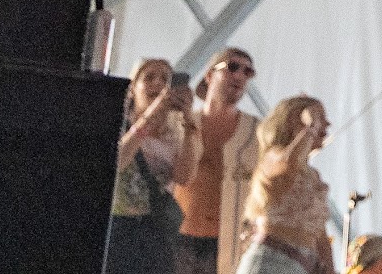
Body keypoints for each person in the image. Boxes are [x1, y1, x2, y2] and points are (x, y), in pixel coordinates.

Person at [107, 57, 198, 274]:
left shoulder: (175, 133)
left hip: (154, 229)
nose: (158, 84)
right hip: (116, 225)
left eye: (165, 80)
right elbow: (117, 162)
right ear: (133, 88)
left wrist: (187, 118)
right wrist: (152, 113)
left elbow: (184, 177)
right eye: (149, 78)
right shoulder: (119, 122)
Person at [177, 48, 261, 274]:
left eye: (248, 71)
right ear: (209, 75)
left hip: (228, 244)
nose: (240, 76)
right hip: (178, 239)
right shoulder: (182, 123)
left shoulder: (258, 132)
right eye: (232, 67)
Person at [237, 96, 335, 274]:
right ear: (293, 120)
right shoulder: (273, 157)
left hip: (300, 265)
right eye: (319, 117)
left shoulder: (314, 177)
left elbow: (319, 234)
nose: (327, 124)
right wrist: (310, 128)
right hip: (269, 262)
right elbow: (290, 163)